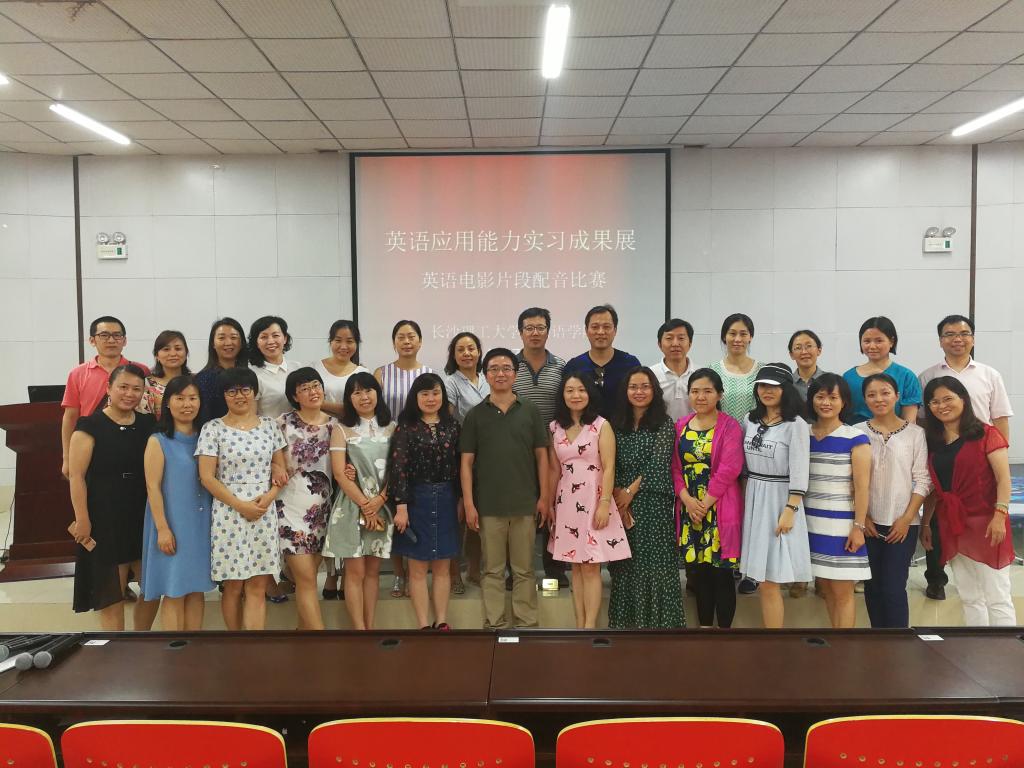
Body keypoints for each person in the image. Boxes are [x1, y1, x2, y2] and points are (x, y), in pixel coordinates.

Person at [918, 314, 1013, 601]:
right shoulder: (927, 376)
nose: (957, 339)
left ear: (972, 338)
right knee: (943, 532)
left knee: (995, 590)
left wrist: (996, 455)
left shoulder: (989, 374)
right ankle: (936, 580)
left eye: (963, 333)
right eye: (949, 334)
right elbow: (923, 422)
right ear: (940, 340)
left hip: (982, 463)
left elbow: (1000, 418)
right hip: (944, 459)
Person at [461, 347, 550, 630]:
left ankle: (527, 623)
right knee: (492, 569)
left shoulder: (530, 411)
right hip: (488, 505)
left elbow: (542, 457)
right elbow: (466, 463)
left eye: (506, 368)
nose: (500, 373)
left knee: (525, 569)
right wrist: (469, 503)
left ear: (515, 373)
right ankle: (495, 623)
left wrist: (544, 497)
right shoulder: (475, 415)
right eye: (494, 369)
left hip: (525, 504)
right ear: (485, 375)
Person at [68, 364, 159, 630]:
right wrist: (82, 519)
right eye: (123, 387)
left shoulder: (148, 424)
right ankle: (116, 646)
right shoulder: (89, 425)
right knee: (111, 590)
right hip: (104, 513)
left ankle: (141, 638)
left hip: (142, 511)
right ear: (108, 388)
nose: (130, 394)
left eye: (136, 389)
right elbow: (76, 477)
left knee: (152, 586)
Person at [196, 367, 286, 631]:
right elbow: (207, 477)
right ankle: (234, 643)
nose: (239, 396)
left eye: (245, 389)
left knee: (258, 584)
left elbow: (281, 472)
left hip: (263, 511)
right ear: (224, 395)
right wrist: (240, 505)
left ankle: (254, 645)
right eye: (232, 391)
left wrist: (267, 499)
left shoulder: (270, 426)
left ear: (254, 392)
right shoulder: (212, 429)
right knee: (233, 585)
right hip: (228, 512)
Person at [921, 376, 1016, 626]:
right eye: (934, 401)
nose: (942, 406)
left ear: (963, 399)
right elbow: (935, 490)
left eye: (948, 399)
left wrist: (999, 516)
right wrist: (926, 524)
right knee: (969, 596)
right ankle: (977, 646)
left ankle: (1005, 649)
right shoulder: (934, 442)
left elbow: (1003, 479)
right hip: (952, 524)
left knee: (997, 596)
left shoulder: (986, 434)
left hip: (987, 522)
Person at [548, 373, 630, 628]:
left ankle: (590, 627)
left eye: (581, 390)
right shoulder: (554, 427)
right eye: (570, 390)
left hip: (595, 500)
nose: (576, 395)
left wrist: (604, 503)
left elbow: (609, 466)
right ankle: (579, 624)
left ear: (590, 394)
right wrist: (550, 504)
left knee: (592, 565)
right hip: (566, 502)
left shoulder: (601, 425)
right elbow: (554, 470)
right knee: (575, 566)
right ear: (562, 395)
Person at [609, 367, 684, 628]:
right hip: (620, 503)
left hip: (653, 500)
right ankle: (626, 626)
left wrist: (629, 492)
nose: (639, 392)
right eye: (633, 387)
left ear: (654, 390)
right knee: (625, 564)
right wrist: (618, 493)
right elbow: (609, 461)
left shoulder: (664, 423)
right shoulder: (615, 424)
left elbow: (658, 463)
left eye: (645, 387)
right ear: (625, 391)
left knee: (655, 564)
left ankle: (660, 627)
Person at [854, 373, 931, 628]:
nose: (879, 399)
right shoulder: (856, 432)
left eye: (885, 392)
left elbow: (923, 480)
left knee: (894, 587)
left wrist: (907, 519)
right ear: (865, 399)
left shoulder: (916, 434)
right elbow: (851, 480)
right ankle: (878, 641)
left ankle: (899, 643)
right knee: (872, 585)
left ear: (897, 396)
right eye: (872, 394)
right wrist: (863, 517)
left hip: (903, 524)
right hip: (868, 523)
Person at [740, 362, 811, 629]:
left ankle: (775, 640)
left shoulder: (796, 425)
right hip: (754, 496)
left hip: (781, 500)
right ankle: (770, 638)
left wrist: (790, 509)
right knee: (761, 579)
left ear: (786, 389)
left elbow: (800, 469)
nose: (766, 391)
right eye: (762, 386)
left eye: (773, 386)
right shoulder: (749, 419)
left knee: (772, 578)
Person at [141, 375, 214, 631]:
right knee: (174, 589)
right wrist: (162, 528)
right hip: (172, 522)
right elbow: (152, 487)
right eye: (180, 398)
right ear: (167, 403)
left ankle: (194, 647)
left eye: (193, 398)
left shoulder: (207, 437)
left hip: (201, 523)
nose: (187, 404)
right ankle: (175, 648)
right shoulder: (158, 440)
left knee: (196, 588)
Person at [390, 373, 462, 630]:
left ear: (443, 395)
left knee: (443, 566)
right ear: (415, 397)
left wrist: (461, 500)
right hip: (416, 500)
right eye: (425, 394)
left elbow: (461, 467)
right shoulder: (405, 427)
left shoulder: (453, 426)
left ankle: (441, 620)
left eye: (435, 393)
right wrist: (401, 507)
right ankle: (423, 625)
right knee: (418, 568)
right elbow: (398, 469)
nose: (431, 399)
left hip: (447, 498)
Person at [672, 368, 743, 628]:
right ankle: (704, 630)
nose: (700, 397)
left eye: (707, 391)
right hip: (690, 509)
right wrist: (688, 501)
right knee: (699, 574)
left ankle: (724, 634)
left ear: (719, 394)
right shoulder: (680, 425)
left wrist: (704, 504)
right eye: (695, 391)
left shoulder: (730, 426)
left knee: (721, 574)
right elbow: (675, 468)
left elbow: (730, 468)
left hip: (718, 508)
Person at [324, 372, 395, 630]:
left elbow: (398, 470)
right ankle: (358, 630)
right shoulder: (341, 429)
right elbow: (340, 473)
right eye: (356, 392)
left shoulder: (392, 427)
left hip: (382, 505)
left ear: (377, 393)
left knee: (373, 572)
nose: (364, 397)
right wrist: (366, 505)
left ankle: (370, 627)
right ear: (349, 398)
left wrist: (380, 500)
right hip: (351, 507)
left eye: (368, 390)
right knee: (355, 572)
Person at [804, 373, 871, 629]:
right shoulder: (803, 434)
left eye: (833, 397)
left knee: (843, 593)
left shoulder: (855, 437)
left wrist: (859, 527)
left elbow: (862, 488)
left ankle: (846, 646)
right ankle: (836, 641)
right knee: (826, 590)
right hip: (811, 524)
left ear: (844, 402)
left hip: (842, 527)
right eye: (820, 397)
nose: (826, 403)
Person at [276, 367, 338, 630]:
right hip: (289, 507)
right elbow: (272, 461)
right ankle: (322, 642)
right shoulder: (282, 423)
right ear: (294, 396)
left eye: (316, 385)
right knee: (306, 579)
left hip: (322, 511)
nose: (312, 391)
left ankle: (304, 638)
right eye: (304, 388)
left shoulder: (336, 426)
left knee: (308, 579)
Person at [374, 319, 433, 598]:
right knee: (394, 508)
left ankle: (415, 572)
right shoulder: (382, 373)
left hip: (421, 448)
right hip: (388, 445)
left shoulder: (429, 373)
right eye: (401, 336)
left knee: (416, 510)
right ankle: (399, 573)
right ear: (394, 342)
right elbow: (374, 409)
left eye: (412, 336)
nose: (407, 341)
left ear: (420, 341)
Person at [512, 307, 567, 587]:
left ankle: (554, 569)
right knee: (520, 509)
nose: (535, 333)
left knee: (554, 505)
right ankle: (517, 570)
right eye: (529, 328)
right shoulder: (509, 365)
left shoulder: (561, 366)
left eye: (540, 327)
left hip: (553, 448)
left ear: (548, 331)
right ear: (520, 332)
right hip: (517, 449)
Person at [61, 315, 149, 479]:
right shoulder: (78, 374)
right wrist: (67, 458)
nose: (111, 340)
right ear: (92, 340)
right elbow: (70, 417)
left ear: (124, 340)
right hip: (90, 444)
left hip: (132, 444)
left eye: (117, 335)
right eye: (104, 335)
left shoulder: (141, 371)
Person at [442, 331, 487, 594]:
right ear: (454, 355)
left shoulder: (488, 378)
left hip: (488, 457)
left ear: (479, 352)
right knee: (457, 519)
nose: (467, 353)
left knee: (478, 518)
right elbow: (447, 420)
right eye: (461, 349)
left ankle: (473, 570)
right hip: (459, 455)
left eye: (471, 348)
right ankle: (453, 573)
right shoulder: (450, 382)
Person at [565, 304, 641, 418]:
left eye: (606, 327)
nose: (601, 332)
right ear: (586, 330)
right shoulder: (574, 366)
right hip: (584, 427)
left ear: (615, 330)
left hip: (623, 428)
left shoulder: (630, 363)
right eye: (595, 327)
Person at [842, 316, 922, 424]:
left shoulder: (906, 376)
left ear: (891, 341)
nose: (872, 346)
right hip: (855, 434)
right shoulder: (848, 377)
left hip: (895, 434)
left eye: (879, 341)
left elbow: (909, 423)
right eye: (867, 341)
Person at [708, 313, 761, 424]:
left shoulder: (762, 370)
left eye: (743, 334)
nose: (737, 339)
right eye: (732, 333)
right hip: (721, 432)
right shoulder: (712, 370)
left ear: (750, 337)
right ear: (724, 336)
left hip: (754, 432)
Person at [195, 317, 248, 428]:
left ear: (242, 342)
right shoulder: (203, 379)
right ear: (213, 343)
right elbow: (202, 419)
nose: (228, 343)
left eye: (233, 337)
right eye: (221, 338)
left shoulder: (249, 375)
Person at [249, 315, 304, 419]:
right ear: (257, 343)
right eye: (264, 337)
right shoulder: (252, 375)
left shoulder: (297, 367)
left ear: (285, 338)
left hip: (301, 427)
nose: (270, 341)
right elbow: (251, 416)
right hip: (270, 428)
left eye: (275, 335)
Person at [316, 319, 369, 418]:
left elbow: (361, 409)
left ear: (357, 344)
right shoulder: (315, 368)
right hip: (317, 425)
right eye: (338, 340)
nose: (343, 346)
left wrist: (321, 404)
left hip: (349, 426)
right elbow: (303, 402)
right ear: (330, 341)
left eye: (349, 341)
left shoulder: (362, 373)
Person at [137, 330, 191, 419]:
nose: (173, 354)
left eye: (178, 349)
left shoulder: (196, 381)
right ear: (156, 355)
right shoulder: (147, 385)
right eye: (166, 349)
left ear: (186, 353)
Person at [651, 318, 696, 422]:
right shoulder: (650, 375)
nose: (675, 343)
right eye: (669, 338)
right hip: (659, 431)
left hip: (694, 431)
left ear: (690, 343)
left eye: (681, 338)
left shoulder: (701, 374)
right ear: (659, 344)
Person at [788, 329, 827, 403]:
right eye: (798, 348)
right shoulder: (787, 383)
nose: (804, 352)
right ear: (791, 355)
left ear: (819, 350)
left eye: (809, 346)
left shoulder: (831, 381)